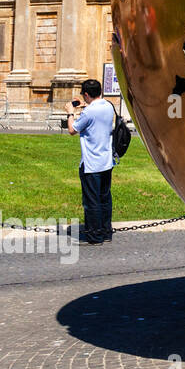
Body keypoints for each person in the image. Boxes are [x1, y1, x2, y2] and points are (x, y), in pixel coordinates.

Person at [67, 79, 116, 245]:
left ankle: (94, 236)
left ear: (86, 94)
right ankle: (106, 232)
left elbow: (72, 130)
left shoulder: (89, 112)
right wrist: (84, 107)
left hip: (91, 163)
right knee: (104, 198)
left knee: (91, 201)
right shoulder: (108, 106)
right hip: (106, 161)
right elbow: (95, 115)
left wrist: (70, 113)